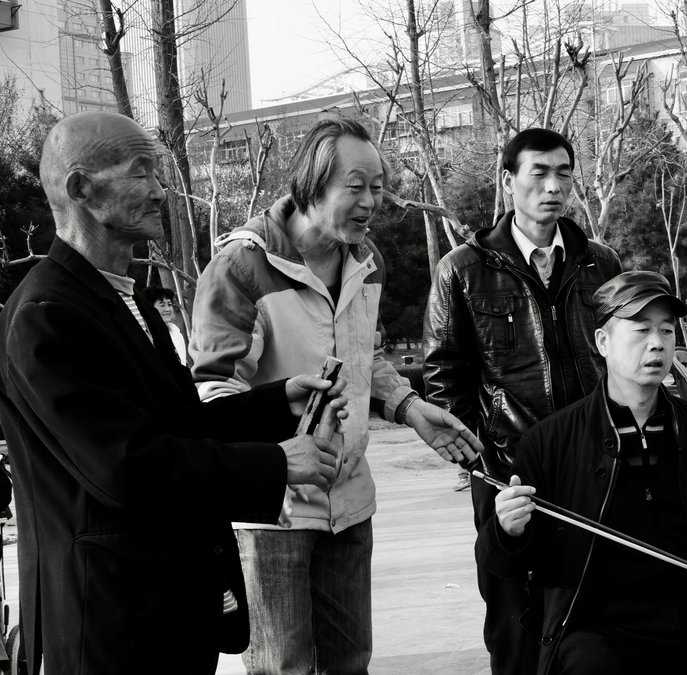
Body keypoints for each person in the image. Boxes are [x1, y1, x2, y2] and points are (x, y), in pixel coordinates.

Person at [0, 111, 344, 675]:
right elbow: (126, 468)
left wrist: (276, 403)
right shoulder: (46, 316)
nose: (161, 190)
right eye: (142, 172)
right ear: (80, 187)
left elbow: (177, 424)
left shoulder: (126, 299)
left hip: (167, 609)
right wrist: (277, 465)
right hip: (108, 621)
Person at [190, 118, 483, 674]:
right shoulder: (241, 266)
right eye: (356, 186)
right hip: (273, 513)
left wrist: (409, 406)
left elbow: (361, 358)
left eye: (378, 186)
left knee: (351, 663)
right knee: (284, 668)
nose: (372, 201)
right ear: (312, 183)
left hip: (350, 504)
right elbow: (212, 393)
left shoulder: (365, 260)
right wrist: (282, 454)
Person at [479, 271, 687, 675]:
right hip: (603, 627)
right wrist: (509, 530)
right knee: (586, 663)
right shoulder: (550, 443)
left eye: (666, 331)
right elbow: (508, 566)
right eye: (640, 330)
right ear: (602, 342)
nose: (657, 343)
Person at [423, 128, 622, 674]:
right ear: (509, 182)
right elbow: (445, 375)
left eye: (563, 174)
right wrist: (478, 464)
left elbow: (623, 360)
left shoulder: (598, 263)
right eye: (539, 173)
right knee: (515, 619)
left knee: (593, 617)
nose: (553, 187)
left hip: (594, 465)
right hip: (509, 473)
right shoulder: (463, 269)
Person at [144, 286, 188, 364]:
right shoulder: (147, 334)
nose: (167, 309)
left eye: (169, 304)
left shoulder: (175, 331)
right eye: (162, 305)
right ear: (150, 308)